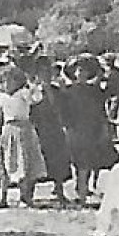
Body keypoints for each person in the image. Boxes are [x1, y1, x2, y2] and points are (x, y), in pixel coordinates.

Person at [62, 56, 119, 199]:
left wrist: (107, 71)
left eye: (84, 71)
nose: (81, 73)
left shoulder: (95, 91)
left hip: (92, 129)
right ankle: (81, 188)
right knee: (77, 162)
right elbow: (63, 111)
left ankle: (83, 193)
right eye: (78, 70)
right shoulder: (67, 91)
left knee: (86, 162)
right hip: (75, 130)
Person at [0, 68, 45, 208]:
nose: (7, 84)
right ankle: (3, 197)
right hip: (8, 129)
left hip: (23, 129)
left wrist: (33, 86)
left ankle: (25, 197)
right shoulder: (2, 97)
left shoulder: (23, 93)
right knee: (4, 163)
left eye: (10, 80)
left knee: (25, 162)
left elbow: (36, 99)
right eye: (4, 81)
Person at [28, 62, 74, 205]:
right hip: (39, 129)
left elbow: (64, 107)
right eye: (42, 74)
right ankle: (29, 194)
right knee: (37, 161)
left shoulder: (56, 90)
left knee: (58, 161)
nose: (45, 76)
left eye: (47, 73)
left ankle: (59, 191)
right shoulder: (33, 92)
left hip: (55, 129)